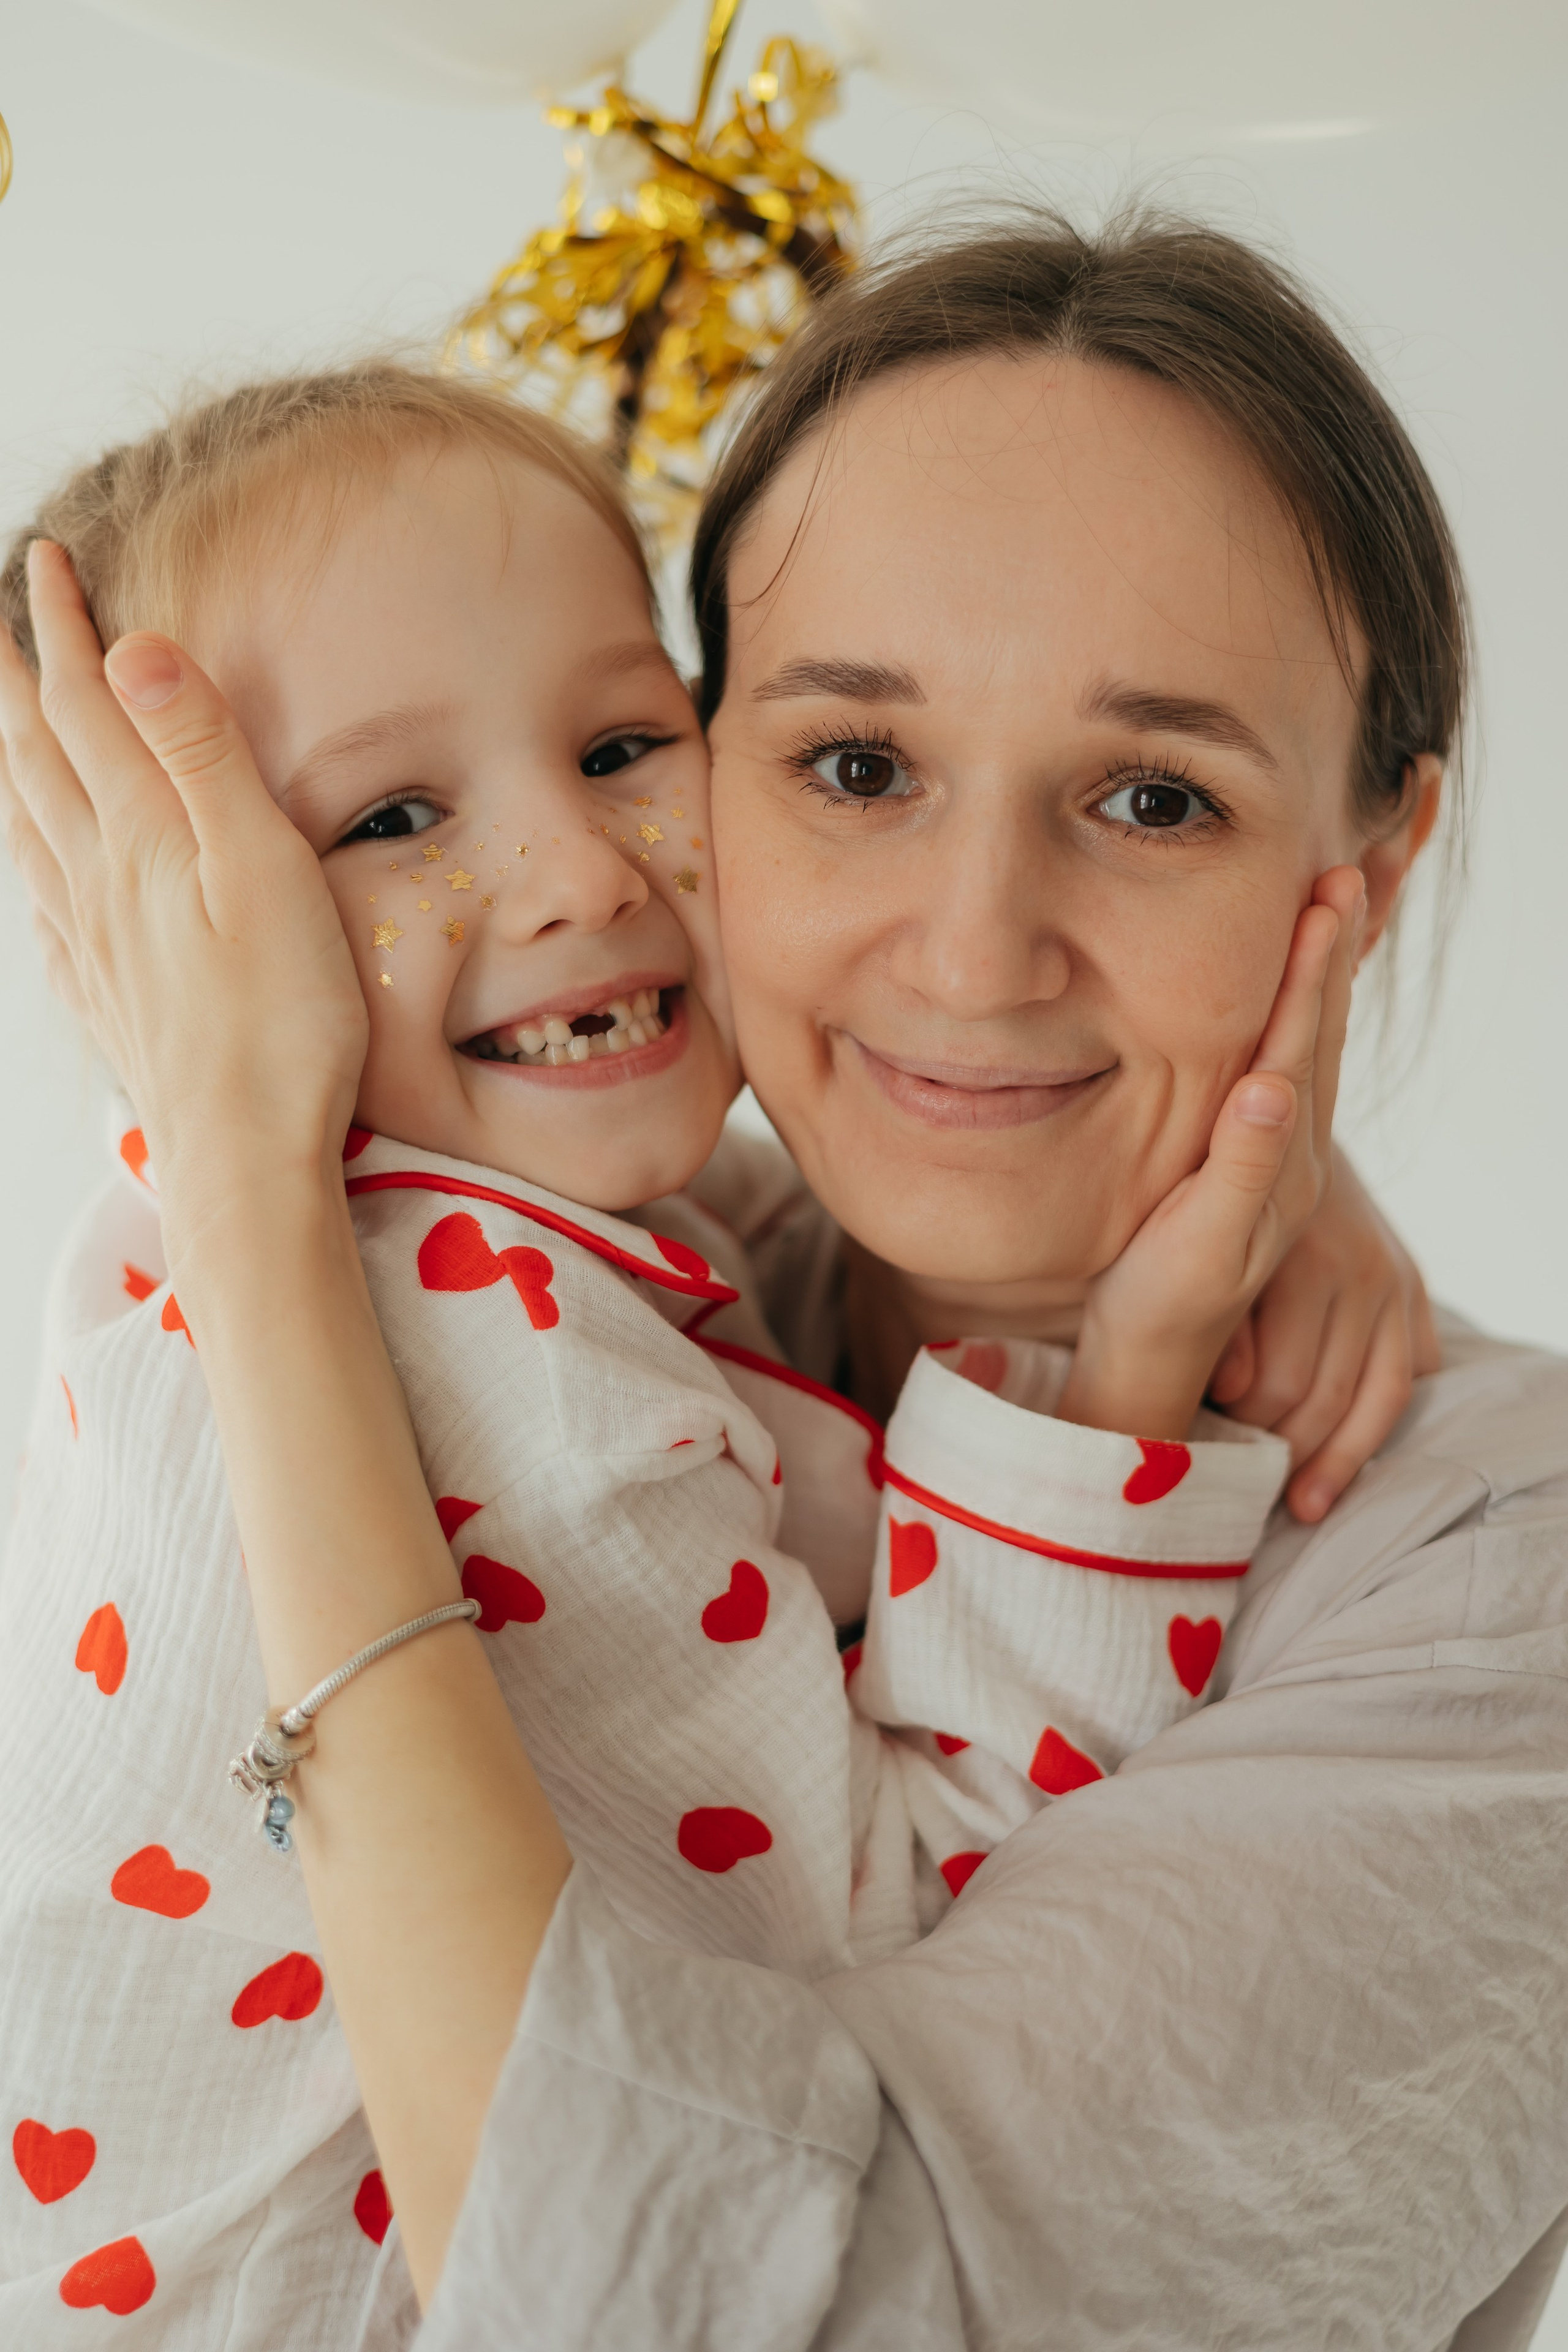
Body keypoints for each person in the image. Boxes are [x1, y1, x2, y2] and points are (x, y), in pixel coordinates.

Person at [5, 208, 1565, 2350]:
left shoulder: (1504, 1583)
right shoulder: (525, 1331)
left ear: (1357, 872)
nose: (970, 947)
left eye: (1152, 798)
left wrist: (1277, 1182)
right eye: (856, 767)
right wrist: (1111, 1391)